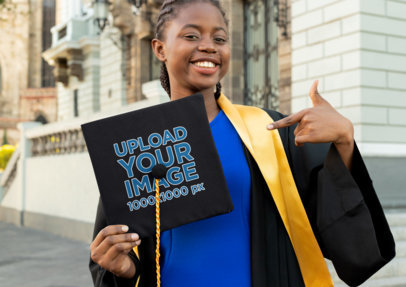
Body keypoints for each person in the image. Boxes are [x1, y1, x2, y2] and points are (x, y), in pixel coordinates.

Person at [89, 1, 395, 286]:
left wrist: (343, 143)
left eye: (220, 39)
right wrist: (125, 270)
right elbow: (119, 254)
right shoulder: (135, 145)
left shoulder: (270, 132)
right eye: (191, 35)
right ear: (160, 49)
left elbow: (340, 228)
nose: (208, 46)